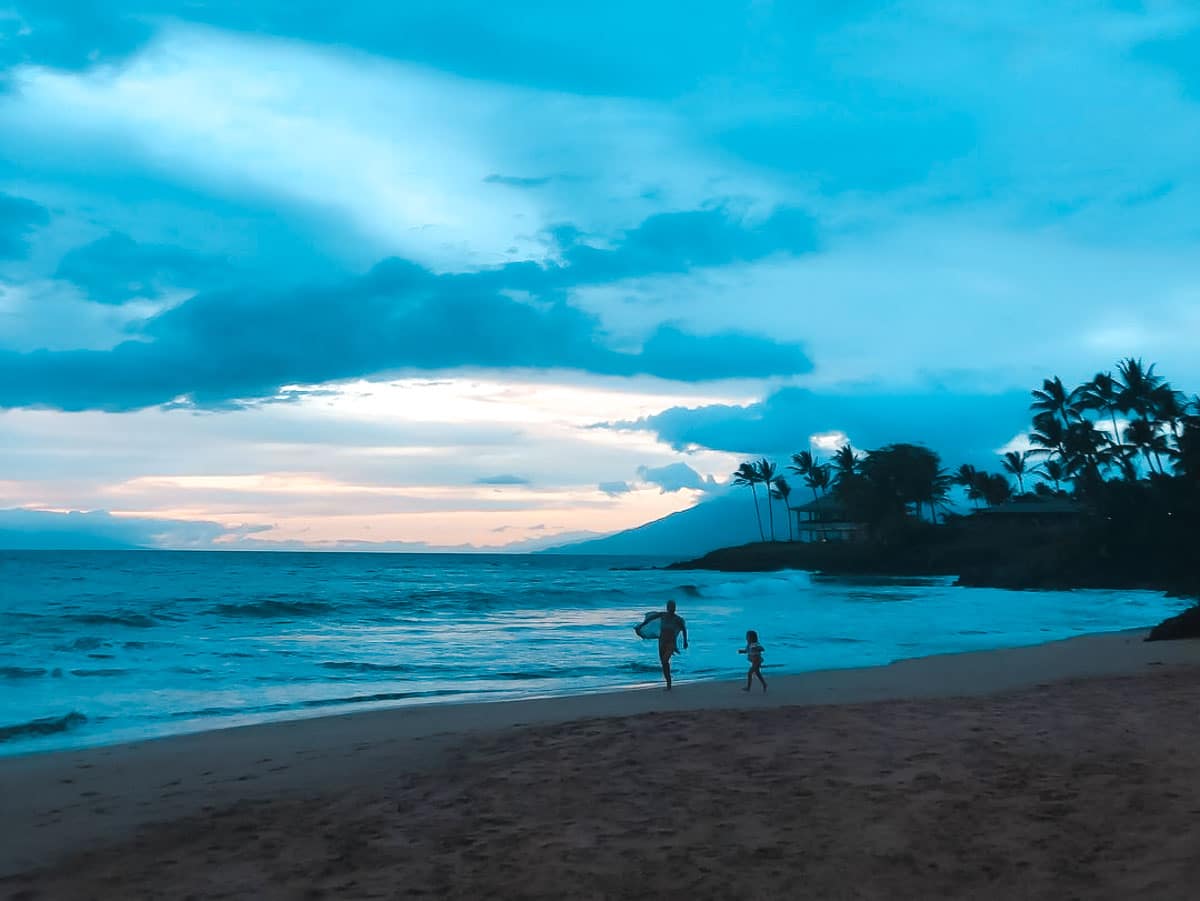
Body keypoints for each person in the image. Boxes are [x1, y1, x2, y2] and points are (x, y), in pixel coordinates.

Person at [656, 600, 688, 691]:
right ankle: (668, 683)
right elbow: (650, 619)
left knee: (665, 660)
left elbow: (684, 629)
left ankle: (669, 683)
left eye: (673, 606)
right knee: (663, 663)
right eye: (670, 606)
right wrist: (641, 626)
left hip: (671, 643)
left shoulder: (678, 619)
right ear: (667, 607)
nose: (672, 608)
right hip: (661, 642)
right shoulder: (662, 615)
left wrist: (685, 642)